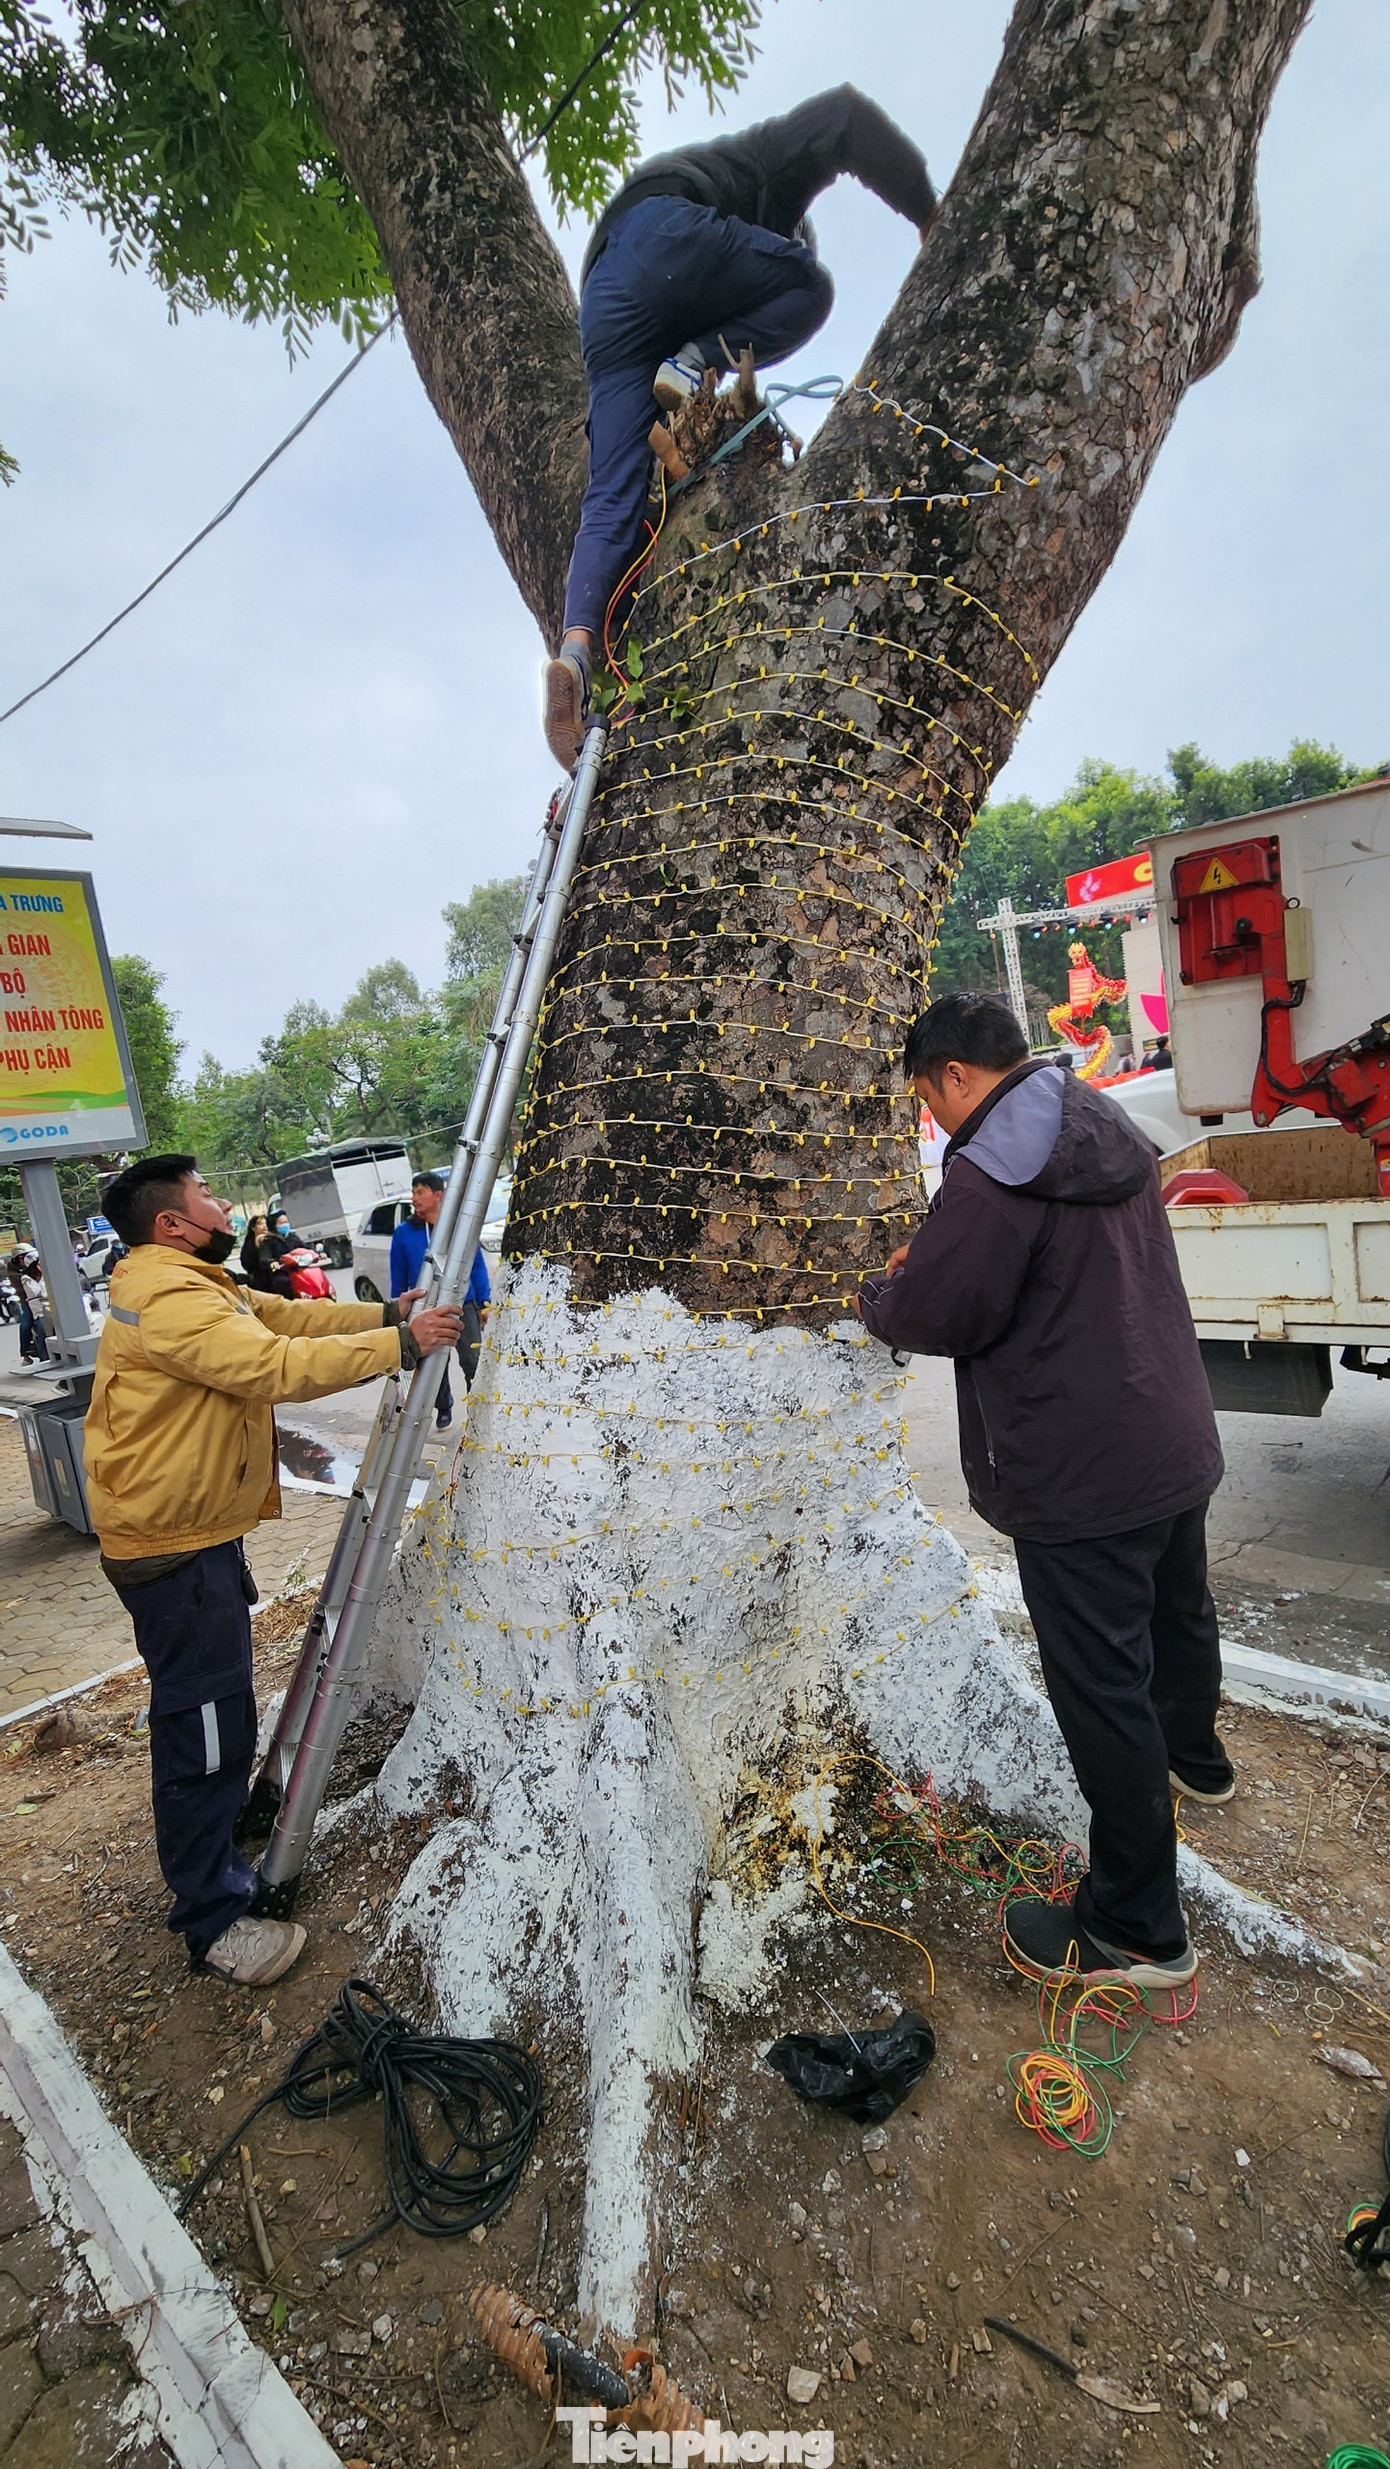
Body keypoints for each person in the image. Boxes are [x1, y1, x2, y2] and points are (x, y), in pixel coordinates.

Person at [854, 992, 1228, 1991]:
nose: (934, 1119)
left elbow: (942, 1310)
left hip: (1080, 1475)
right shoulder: (1095, 1115)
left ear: (955, 1077)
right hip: (1170, 1437)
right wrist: (938, 1256)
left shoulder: (986, 1171)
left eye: (928, 1099)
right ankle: (1198, 1760)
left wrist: (880, 1293)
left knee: (1101, 1688)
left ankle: (1138, 1927)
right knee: (1178, 1613)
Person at [83, 1154, 462, 1988]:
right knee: (206, 1730)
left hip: (186, 1534)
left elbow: (279, 1321)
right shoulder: (172, 1295)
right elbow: (269, 1367)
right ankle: (212, 1921)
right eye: (207, 1197)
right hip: (171, 1549)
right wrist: (399, 1343)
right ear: (172, 1224)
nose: (224, 1205)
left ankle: (218, 1857)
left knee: (215, 1715)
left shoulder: (186, 1280)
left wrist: (382, 1316)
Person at [542, 87, 937, 768]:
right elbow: (844, 114)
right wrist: (931, 216)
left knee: (611, 497)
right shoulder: (765, 173)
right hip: (667, 234)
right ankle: (692, 361)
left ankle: (574, 654)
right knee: (811, 289)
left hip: (606, 299)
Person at [389, 1172, 492, 1429]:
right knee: (435, 1362)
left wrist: (484, 1301)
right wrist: (399, 1308)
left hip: (462, 1303)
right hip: (426, 1306)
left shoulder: (459, 1229)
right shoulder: (404, 1234)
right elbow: (398, 1273)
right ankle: (443, 1406)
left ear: (438, 1195)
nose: (415, 1198)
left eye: (420, 1192)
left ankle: (477, 1409)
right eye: (413, 1193)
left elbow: (476, 1265)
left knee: (471, 1358)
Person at [11, 1247, 49, 1369]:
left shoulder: (45, 1270)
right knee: (27, 1325)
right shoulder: (23, 1276)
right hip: (32, 1305)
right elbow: (37, 1292)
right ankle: (28, 1354)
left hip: (49, 1303)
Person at [240, 1212, 274, 1291]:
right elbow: (247, 1263)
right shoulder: (248, 1244)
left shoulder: (273, 1239)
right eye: (260, 1224)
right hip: (259, 1281)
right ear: (253, 1228)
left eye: (265, 1223)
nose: (264, 1226)